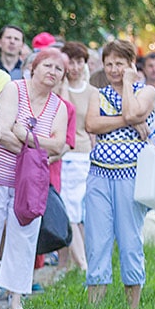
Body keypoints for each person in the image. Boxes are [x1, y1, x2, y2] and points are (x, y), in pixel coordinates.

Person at [0, 48, 73, 309]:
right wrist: (35, 150)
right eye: (47, 65)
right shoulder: (14, 89)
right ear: (33, 67)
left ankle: (16, 300)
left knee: (23, 239)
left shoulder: (59, 106)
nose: (53, 72)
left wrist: (23, 134)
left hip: (30, 185)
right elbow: (0, 130)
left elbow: (59, 144)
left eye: (59, 69)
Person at [84, 39, 155, 309]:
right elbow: (92, 124)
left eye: (120, 64)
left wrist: (128, 84)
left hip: (131, 176)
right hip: (99, 175)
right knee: (97, 240)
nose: (113, 69)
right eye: (109, 64)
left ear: (131, 65)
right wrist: (131, 121)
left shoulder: (146, 91)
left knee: (129, 239)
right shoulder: (96, 94)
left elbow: (132, 108)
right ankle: (95, 308)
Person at [56, 42, 96, 276]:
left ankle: (80, 263)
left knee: (78, 211)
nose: (75, 66)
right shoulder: (60, 87)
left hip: (83, 154)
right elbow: (63, 110)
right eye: (71, 61)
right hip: (63, 153)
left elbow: (91, 127)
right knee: (68, 208)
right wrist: (63, 82)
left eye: (79, 61)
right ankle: (77, 264)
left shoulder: (92, 92)